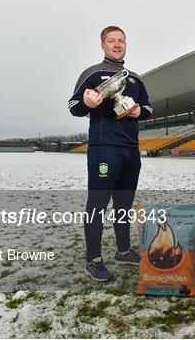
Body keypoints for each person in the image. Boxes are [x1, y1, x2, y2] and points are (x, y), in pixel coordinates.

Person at [68, 26, 153, 281]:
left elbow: (148, 107)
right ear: (103, 45)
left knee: (124, 205)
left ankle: (123, 251)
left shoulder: (135, 78)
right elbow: (73, 106)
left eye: (121, 41)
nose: (117, 45)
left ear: (126, 44)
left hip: (131, 150)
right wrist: (88, 104)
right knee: (98, 204)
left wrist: (141, 112)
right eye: (111, 41)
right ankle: (93, 260)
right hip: (104, 150)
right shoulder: (93, 74)